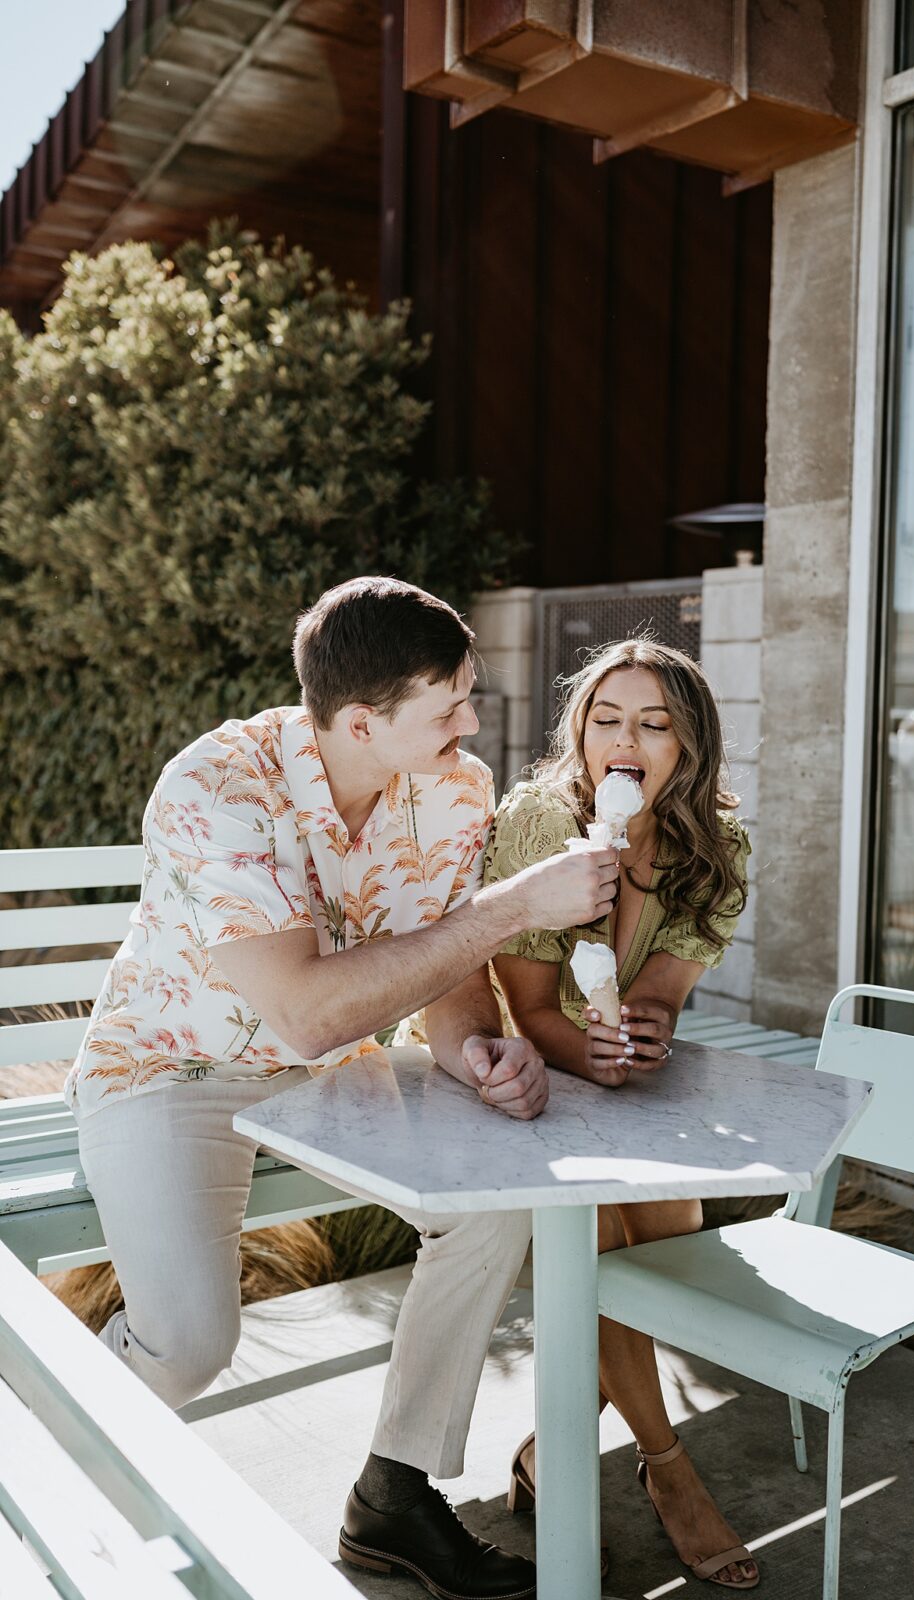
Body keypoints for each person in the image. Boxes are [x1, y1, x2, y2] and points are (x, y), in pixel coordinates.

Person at [66, 576, 619, 1600]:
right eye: (447, 704)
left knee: (496, 1203)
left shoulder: (455, 787)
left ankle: (393, 1497)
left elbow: (445, 966)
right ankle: (48, 1432)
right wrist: (513, 907)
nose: (473, 719)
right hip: (174, 1068)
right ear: (361, 723)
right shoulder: (219, 788)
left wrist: (474, 1052)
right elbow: (309, 1011)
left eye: (468, 694)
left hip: (337, 1072)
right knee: (186, 1342)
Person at [483, 637, 759, 1591]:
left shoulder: (713, 843)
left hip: (623, 1085)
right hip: (514, 1073)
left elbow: (667, 994)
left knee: (666, 1255)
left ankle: (541, 1455)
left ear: (690, 745)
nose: (625, 740)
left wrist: (645, 1029)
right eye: (607, 720)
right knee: (601, 1244)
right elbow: (523, 1003)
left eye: (653, 723)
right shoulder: (536, 820)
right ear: (581, 732)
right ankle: (669, 1468)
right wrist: (578, 1047)